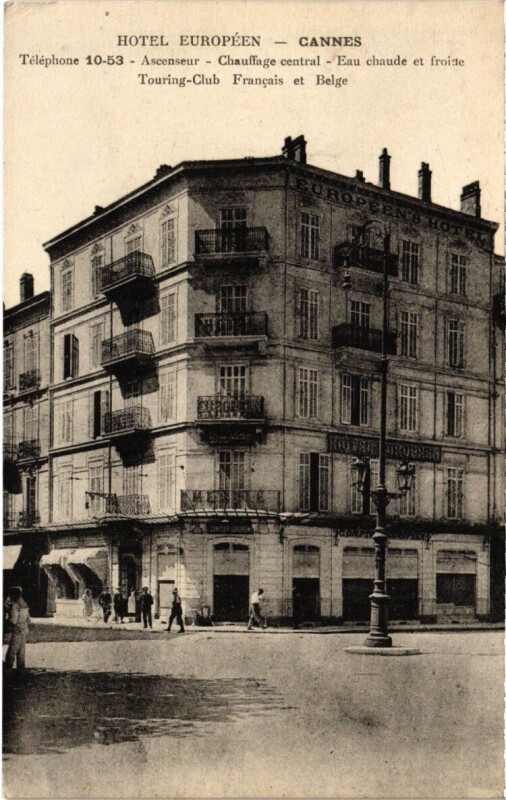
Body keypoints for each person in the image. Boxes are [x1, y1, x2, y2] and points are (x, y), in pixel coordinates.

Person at [4, 586, 31, 671]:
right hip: (25, 629)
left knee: (11, 653)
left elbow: (13, 621)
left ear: (14, 594)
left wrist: (6, 620)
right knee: (21, 654)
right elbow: (29, 619)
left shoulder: (15, 605)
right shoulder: (24, 604)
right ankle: (21, 671)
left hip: (17, 630)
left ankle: (8, 671)